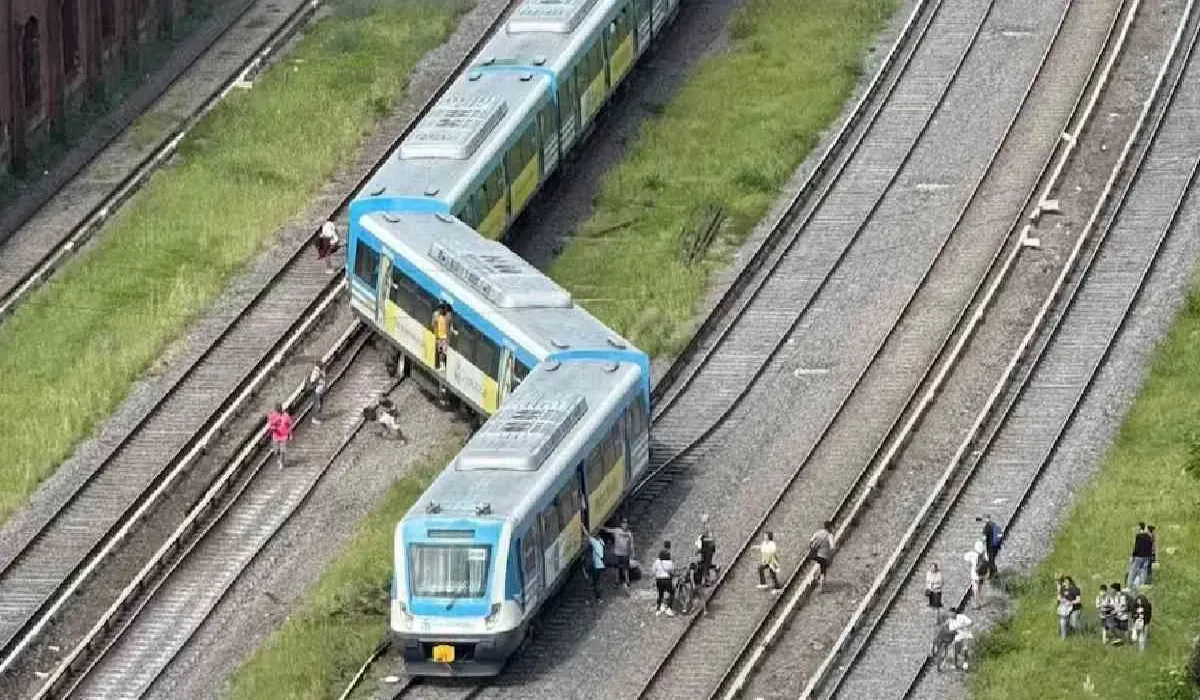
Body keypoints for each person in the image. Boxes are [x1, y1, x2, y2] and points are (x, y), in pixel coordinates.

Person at [604, 519, 635, 591]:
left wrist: (632, 553)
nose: (624, 525)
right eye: (623, 523)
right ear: (621, 524)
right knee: (617, 569)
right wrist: (601, 527)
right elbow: (608, 530)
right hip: (617, 554)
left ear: (627, 525)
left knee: (626, 569)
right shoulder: (617, 530)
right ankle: (617, 582)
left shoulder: (629, 533)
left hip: (625, 554)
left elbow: (631, 544)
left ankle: (627, 582)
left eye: (626, 523)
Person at [807, 520, 835, 592]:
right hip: (824, 556)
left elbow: (811, 541)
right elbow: (832, 547)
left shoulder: (818, 532)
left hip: (816, 554)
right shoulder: (830, 535)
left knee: (817, 565)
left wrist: (813, 548)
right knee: (823, 571)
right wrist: (830, 555)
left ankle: (811, 579)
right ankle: (822, 587)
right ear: (830, 527)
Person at [267, 403, 293, 469]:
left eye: (280, 410)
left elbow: (289, 425)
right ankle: (279, 458)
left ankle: (281, 462)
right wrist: (273, 427)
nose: (279, 412)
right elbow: (270, 425)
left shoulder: (286, 416)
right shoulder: (272, 416)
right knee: (276, 451)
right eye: (277, 410)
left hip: (284, 436)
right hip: (276, 436)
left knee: (282, 450)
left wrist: (290, 434)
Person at [583, 525, 605, 602]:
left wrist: (583, 526)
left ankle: (597, 598)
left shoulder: (595, 542)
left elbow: (587, 535)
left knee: (594, 583)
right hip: (600, 565)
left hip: (596, 566)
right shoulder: (601, 542)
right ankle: (597, 597)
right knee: (596, 582)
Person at [947, 606, 974, 671]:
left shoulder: (962, 617)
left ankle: (965, 663)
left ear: (954, 613)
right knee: (956, 650)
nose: (950, 615)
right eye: (949, 614)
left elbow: (971, 622)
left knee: (965, 648)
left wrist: (963, 626)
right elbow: (951, 629)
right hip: (958, 636)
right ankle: (955, 664)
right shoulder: (951, 621)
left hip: (966, 635)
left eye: (951, 613)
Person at [1129, 522, 1153, 588]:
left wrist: (1133, 556)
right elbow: (1150, 547)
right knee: (1143, 571)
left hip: (1139, 556)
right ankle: (1142, 584)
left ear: (1140, 527)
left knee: (1133, 570)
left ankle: (1130, 585)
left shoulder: (1138, 536)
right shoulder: (1149, 536)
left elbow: (1136, 547)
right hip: (1147, 557)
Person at [694, 517, 717, 587]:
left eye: (704, 521)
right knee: (705, 564)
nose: (703, 523)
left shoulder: (708, 528)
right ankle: (714, 568)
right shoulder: (704, 529)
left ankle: (707, 580)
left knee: (706, 565)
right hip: (706, 549)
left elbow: (711, 539)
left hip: (708, 549)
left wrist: (702, 540)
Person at [652, 547, 675, 616]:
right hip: (666, 579)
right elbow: (672, 571)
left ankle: (658, 609)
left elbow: (653, 570)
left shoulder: (657, 561)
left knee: (660, 593)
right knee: (672, 592)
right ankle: (669, 608)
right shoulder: (670, 562)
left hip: (659, 579)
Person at [432, 303, 455, 371]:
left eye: (441, 309)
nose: (440, 311)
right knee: (440, 351)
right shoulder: (437, 315)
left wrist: (452, 332)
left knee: (442, 351)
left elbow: (450, 326)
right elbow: (434, 324)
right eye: (440, 309)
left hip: (444, 337)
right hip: (440, 336)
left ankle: (442, 365)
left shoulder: (447, 316)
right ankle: (439, 365)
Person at [965, 540, 987, 608]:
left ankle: (976, 604)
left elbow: (965, 558)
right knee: (980, 588)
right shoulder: (985, 554)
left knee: (975, 589)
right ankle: (981, 601)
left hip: (975, 575)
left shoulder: (972, 554)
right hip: (982, 575)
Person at [307, 360, 328, 424]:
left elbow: (324, 378)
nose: (323, 366)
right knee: (317, 405)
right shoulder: (316, 372)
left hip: (321, 390)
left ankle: (319, 417)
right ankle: (314, 418)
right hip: (318, 391)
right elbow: (312, 381)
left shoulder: (321, 371)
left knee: (321, 405)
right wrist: (319, 378)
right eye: (322, 365)